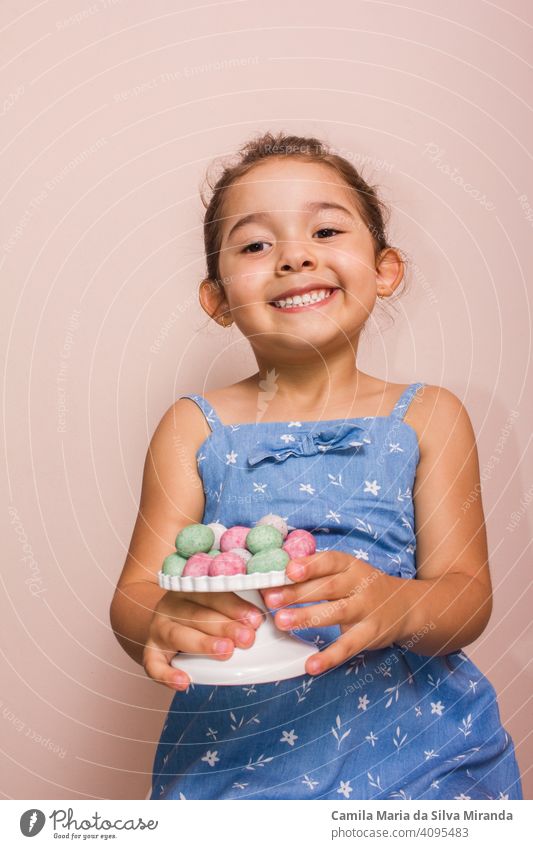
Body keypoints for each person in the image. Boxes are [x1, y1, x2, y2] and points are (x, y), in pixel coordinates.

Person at [110, 131, 523, 800]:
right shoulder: (193, 425)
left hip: (421, 767)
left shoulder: (428, 417)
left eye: (325, 230)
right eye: (254, 245)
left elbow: (466, 593)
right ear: (215, 296)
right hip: (242, 770)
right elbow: (134, 594)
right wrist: (158, 622)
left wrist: (399, 604)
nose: (295, 256)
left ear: (384, 268)